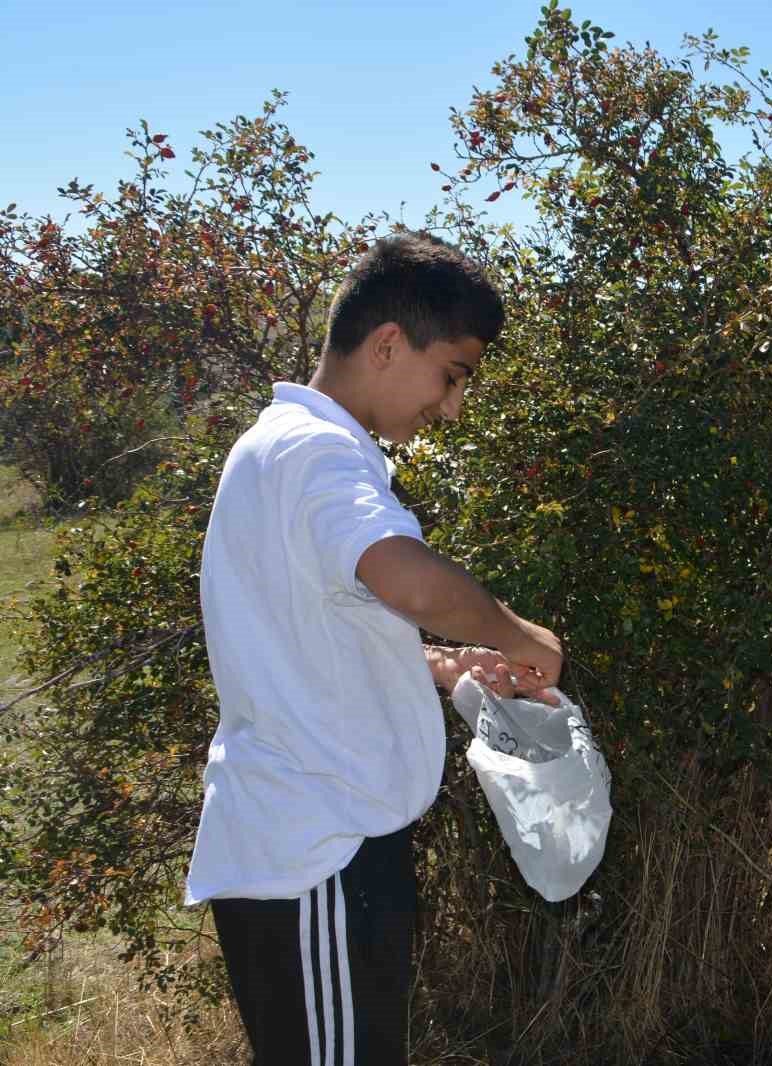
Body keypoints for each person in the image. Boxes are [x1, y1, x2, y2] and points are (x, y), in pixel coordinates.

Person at [184, 230, 565, 1066]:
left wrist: (440, 666)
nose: (452, 406)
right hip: (318, 854)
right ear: (389, 343)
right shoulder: (319, 453)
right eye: (453, 375)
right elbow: (405, 577)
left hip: (314, 852)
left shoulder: (287, 448)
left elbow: (308, 636)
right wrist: (518, 634)